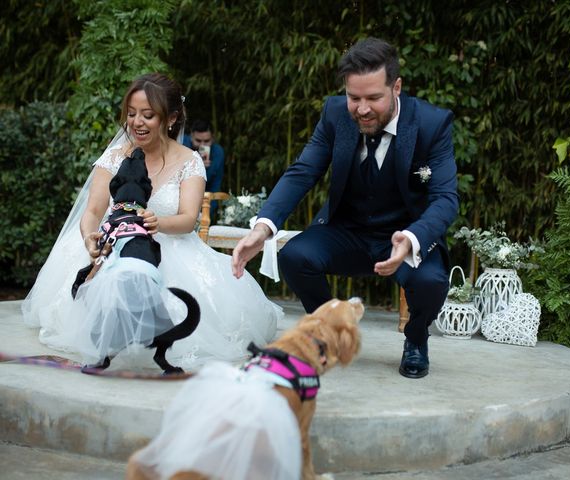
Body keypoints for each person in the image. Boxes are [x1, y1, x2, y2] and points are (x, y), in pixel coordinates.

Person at [232, 38, 458, 379]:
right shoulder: (335, 113)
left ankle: (415, 339)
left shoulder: (431, 123)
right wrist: (262, 229)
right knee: (295, 255)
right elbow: (303, 172)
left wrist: (411, 238)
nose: (362, 109)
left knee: (431, 279)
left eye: (373, 98)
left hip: (403, 238)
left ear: (396, 87)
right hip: (347, 232)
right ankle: (327, 335)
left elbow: (445, 199)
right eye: (354, 98)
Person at [22, 73, 282, 368]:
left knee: (217, 318)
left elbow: (187, 219)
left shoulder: (189, 161)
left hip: (168, 245)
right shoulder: (114, 156)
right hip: (112, 243)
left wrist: (158, 222)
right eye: (131, 114)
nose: (136, 122)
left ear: (170, 119)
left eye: (148, 115)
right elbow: (94, 210)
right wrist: (88, 237)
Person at [183, 119, 225, 223]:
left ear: (213, 139)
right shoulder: (182, 144)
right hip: (179, 201)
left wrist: (205, 216)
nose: (202, 145)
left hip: (203, 203)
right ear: (191, 136)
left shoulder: (217, 153)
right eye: (198, 141)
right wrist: (196, 166)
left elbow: (215, 188)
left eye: (206, 141)